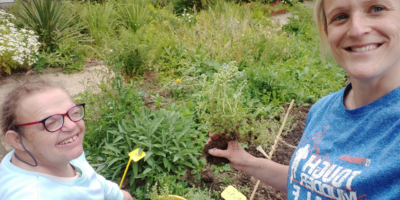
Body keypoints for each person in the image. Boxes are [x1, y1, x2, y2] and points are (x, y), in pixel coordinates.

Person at [208, 0, 400, 199]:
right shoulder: (322, 109)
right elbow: (307, 183)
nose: (357, 30)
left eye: (377, 9)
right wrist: (244, 161)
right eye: (340, 16)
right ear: (328, 33)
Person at [0, 80, 133, 200]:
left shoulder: (55, 153)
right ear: (17, 140)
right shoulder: (33, 195)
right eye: (51, 122)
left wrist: (118, 195)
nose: (71, 125)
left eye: (73, 113)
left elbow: (91, 180)